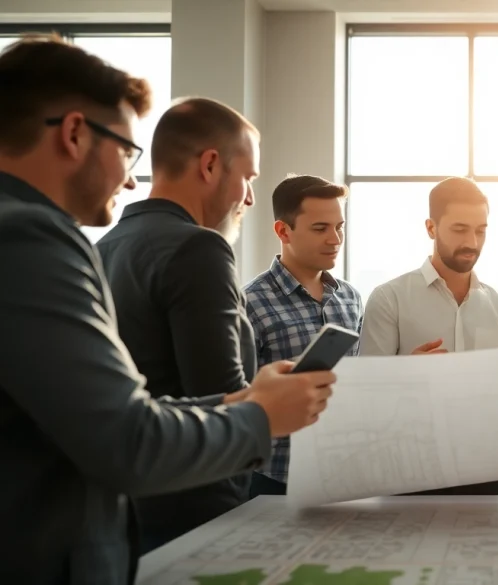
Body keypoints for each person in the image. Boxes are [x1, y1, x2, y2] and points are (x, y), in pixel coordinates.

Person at [0, 35, 334, 584]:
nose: (131, 178)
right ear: (75, 133)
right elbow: (127, 439)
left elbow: (105, 410)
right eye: (126, 152)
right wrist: (260, 416)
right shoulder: (30, 237)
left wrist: (241, 399)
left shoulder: (100, 244)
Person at [95, 96, 263, 552]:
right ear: (210, 165)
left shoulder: (106, 247)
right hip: (196, 514)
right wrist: (270, 401)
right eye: (247, 178)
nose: (249, 197)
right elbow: (222, 399)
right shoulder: (199, 249)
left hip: (127, 510)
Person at [359, 177, 498, 496]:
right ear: (431, 228)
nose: (473, 242)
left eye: (481, 230)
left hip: (485, 476)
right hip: (408, 475)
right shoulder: (389, 298)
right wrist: (406, 374)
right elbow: (366, 397)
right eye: (460, 229)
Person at [244, 174, 364, 497]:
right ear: (283, 231)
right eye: (320, 228)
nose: (336, 239)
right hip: (274, 480)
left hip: (341, 474)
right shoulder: (249, 303)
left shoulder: (351, 299)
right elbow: (238, 398)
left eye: (339, 227)